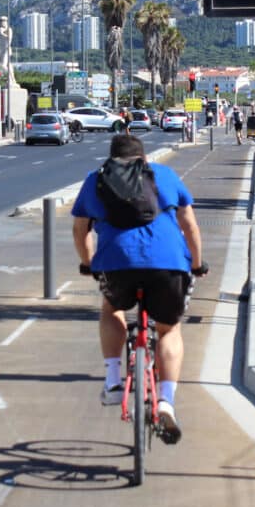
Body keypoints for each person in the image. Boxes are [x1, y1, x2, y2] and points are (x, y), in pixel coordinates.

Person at [72, 134, 207, 443]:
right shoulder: (165, 175)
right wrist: (197, 263)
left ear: (111, 159)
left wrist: (88, 262)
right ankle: (166, 402)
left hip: (116, 263)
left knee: (112, 308)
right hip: (168, 263)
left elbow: (80, 229)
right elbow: (189, 225)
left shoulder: (96, 179)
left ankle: (113, 381)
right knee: (169, 329)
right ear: (145, 159)